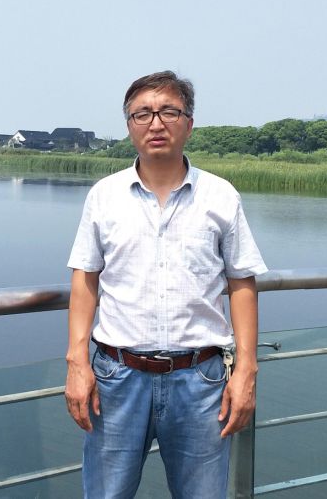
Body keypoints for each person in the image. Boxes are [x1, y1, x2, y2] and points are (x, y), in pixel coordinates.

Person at [65, 70, 268, 498]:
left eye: (168, 112)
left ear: (189, 124)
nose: (155, 123)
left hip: (201, 380)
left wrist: (246, 370)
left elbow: (242, 283)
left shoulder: (220, 196)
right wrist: (77, 362)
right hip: (116, 377)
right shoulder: (104, 196)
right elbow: (85, 278)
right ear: (129, 126)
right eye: (142, 114)